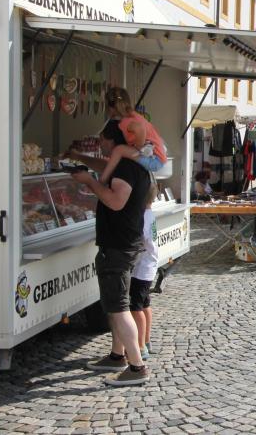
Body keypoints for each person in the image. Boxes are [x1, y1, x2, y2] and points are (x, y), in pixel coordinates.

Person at [70, 120, 152, 386]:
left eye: (103, 139)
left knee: (118, 307)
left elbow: (116, 202)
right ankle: (117, 356)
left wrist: (89, 183)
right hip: (126, 242)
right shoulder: (131, 163)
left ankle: (136, 367)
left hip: (118, 245)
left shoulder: (126, 167)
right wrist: (78, 159)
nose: (101, 144)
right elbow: (105, 167)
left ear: (112, 140)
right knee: (119, 302)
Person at [98, 87, 167, 185]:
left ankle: (102, 180)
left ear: (111, 108)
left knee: (119, 150)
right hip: (158, 157)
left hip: (155, 160)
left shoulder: (126, 121)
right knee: (121, 150)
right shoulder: (133, 116)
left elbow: (140, 129)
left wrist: (139, 147)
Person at [130, 204, 159, 360]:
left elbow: (140, 238)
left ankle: (140, 347)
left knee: (136, 308)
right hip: (148, 265)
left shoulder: (143, 216)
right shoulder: (149, 213)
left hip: (142, 267)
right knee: (145, 304)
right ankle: (146, 341)